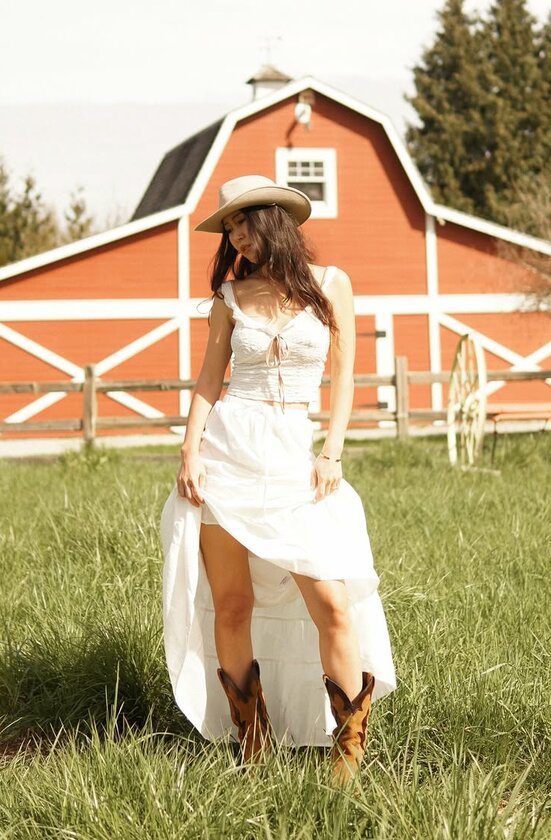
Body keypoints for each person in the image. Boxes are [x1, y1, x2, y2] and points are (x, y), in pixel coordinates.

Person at [160, 175, 395, 780]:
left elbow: (344, 375)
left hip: (296, 458)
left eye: (245, 223)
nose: (237, 236)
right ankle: (254, 745)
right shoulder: (230, 297)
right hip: (228, 453)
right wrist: (190, 452)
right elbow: (209, 379)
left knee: (332, 604)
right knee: (232, 605)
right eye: (230, 228)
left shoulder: (331, 284)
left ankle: (349, 758)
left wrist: (332, 451)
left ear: (275, 220)